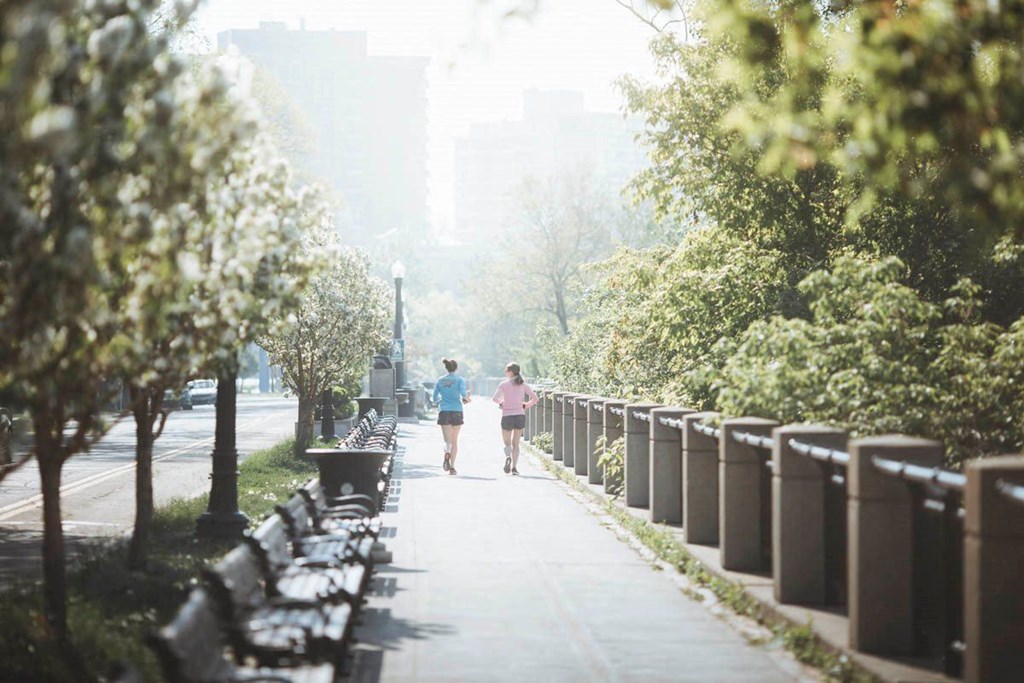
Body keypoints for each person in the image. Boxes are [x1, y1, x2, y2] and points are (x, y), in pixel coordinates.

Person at [491, 362, 538, 475]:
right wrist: (526, 405)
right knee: (516, 444)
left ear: (511, 372)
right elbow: (535, 398)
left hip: (507, 416)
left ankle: (508, 457)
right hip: (519, 415)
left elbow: (494, 398)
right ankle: (515, 468)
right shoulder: (523, 385)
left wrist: (502, 403)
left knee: (507, 443)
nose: (505, 372)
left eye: (506, 371)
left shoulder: (503, 384)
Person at [432, 358, 470, 475]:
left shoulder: (440, 380)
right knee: (455, 440)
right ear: (456, 368)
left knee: (447, 441)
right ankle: (452, 467)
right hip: (457, 410)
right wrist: (467, 398)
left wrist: (440, 402)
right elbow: (464, 395)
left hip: (444, 411)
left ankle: (446, 451)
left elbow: (434, 397)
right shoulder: (459, 380)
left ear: (446, 368)